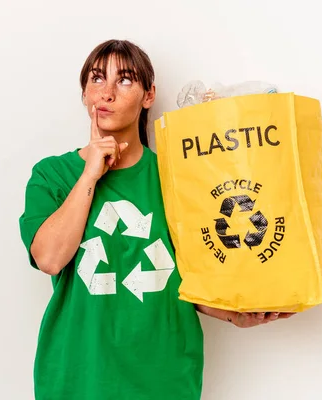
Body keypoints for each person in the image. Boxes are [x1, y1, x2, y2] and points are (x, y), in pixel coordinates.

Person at [18, 39, 292, 400]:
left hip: (163, 379)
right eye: (97, 79)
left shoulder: (179, 175)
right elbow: (50, 259)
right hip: (77, 378)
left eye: (126, 80)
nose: (108, 93)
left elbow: (184, 276)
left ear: (149, 95)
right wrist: (89, 176)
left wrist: (234, 315)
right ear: (84, 93)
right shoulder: (52, 175)